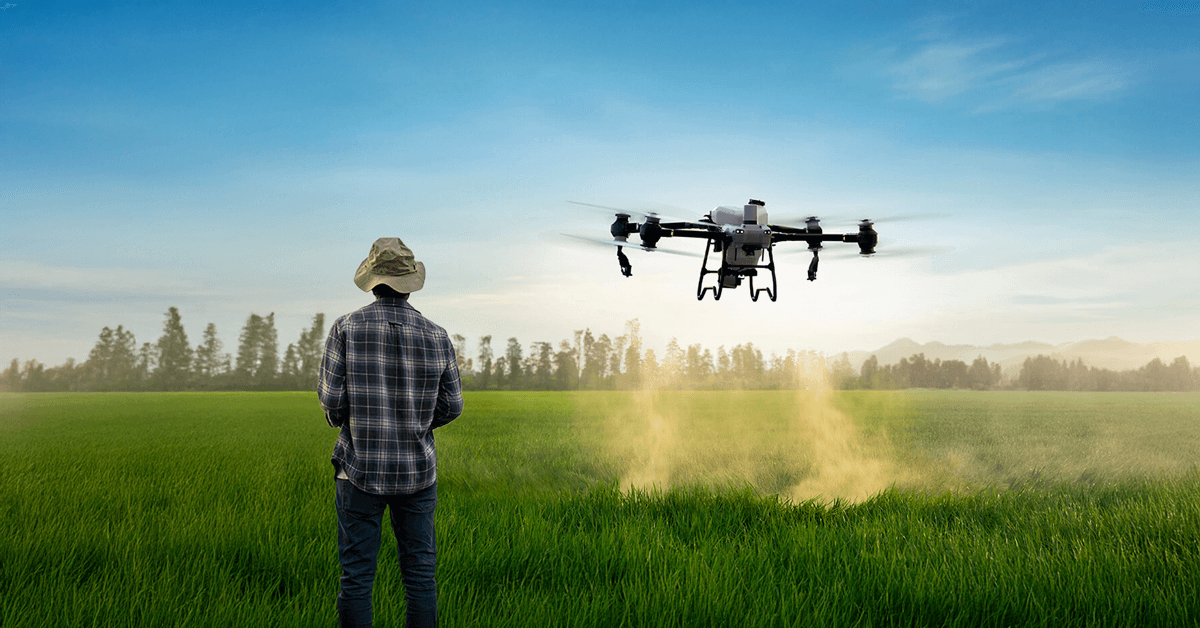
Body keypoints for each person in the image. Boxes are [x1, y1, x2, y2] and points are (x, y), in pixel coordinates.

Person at [319, 237, 464, 628]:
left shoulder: (346, 327)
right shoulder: (437, 335)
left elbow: (331, 401)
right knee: (420, 576)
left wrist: (357, 421)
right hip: (418, 472)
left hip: (358, 470)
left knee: (356, 577)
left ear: (373, 282)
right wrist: (415, 424)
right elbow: (452, 406)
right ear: (410, 284)